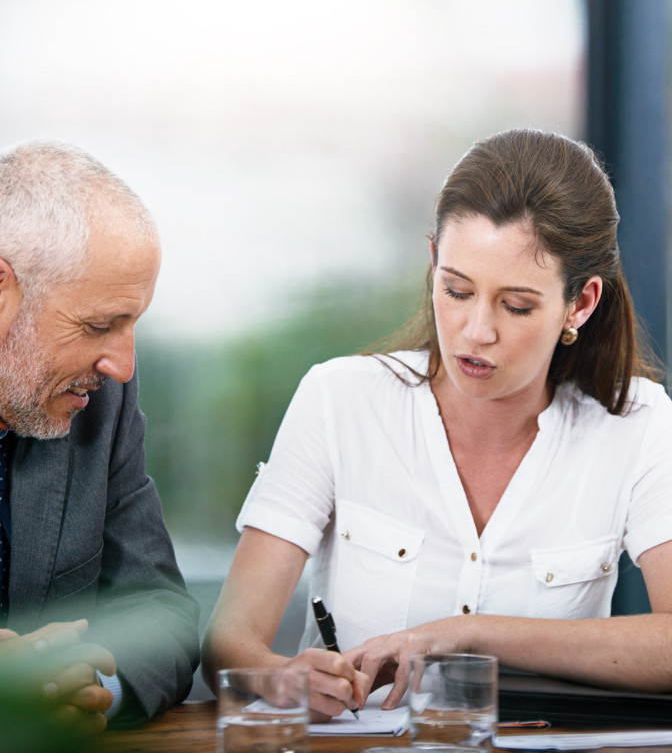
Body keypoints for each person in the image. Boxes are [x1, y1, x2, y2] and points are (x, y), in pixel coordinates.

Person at [201, 128, 672, 720]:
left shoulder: (638, 425)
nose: (477, 330)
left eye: (516, 305)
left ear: (579, 304)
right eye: (455, 290)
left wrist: (472, 635)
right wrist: (281, 679)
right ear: (432, 263)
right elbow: (227, 643)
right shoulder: (340, 399)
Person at [0, 140, 200, 731]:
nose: (122, 365)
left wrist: (82, 685)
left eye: (132, 325)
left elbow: (160, 614)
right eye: (100, 325)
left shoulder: (98, 402)